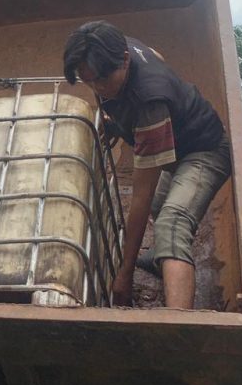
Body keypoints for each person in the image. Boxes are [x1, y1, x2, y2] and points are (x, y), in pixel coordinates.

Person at [63, 20, 231, 310]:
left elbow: (139, 196)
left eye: (102, 80)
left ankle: (178, 326)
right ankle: (160, 258)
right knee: (160, 204)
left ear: (125, 61)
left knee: (171, 222)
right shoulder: (117, 45)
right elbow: (156, 55)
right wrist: (117, 123)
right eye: (87, 80)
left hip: (205, 149)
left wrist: (124, 275)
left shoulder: (150, 105)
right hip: (177, 143)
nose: (97, 88)